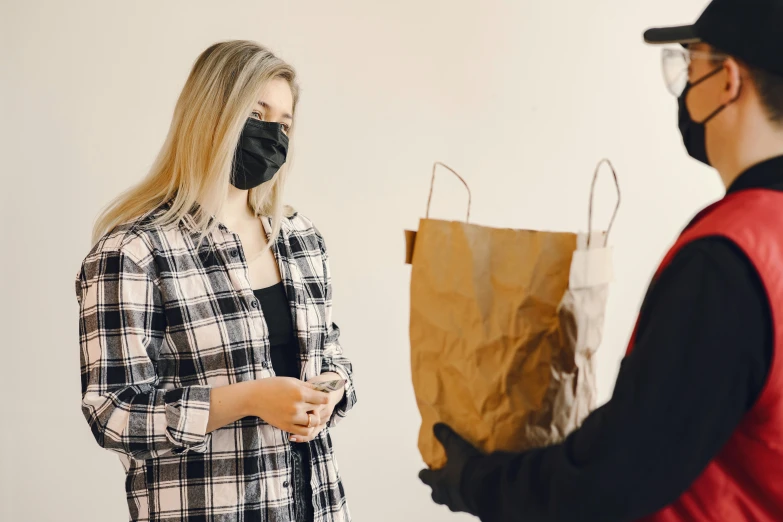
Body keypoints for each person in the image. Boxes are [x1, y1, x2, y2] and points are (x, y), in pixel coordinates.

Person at [419, 0, 783, 520]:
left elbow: (613, 478)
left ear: (728, 80)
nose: (682, 87)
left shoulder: (729, 259)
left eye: (690, 64)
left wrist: (477, 482)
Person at [76, 41, 357, 522]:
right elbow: (114, 414)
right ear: (212, 115)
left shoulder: (302, 239)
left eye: (283, 124)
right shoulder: (134, 252)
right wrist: (250, 399)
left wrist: (331, 392)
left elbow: (331, 357)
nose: (272, 134)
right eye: (256, 113)